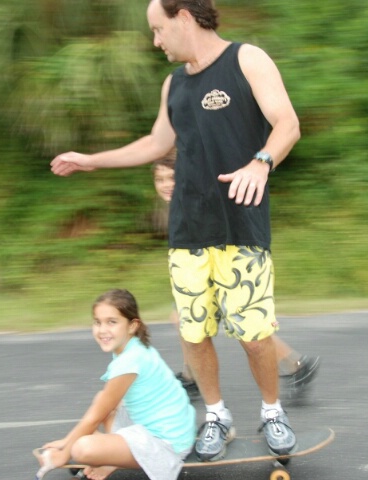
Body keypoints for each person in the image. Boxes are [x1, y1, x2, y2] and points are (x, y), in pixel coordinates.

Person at [50, 0, 303, 462]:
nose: (155, 41)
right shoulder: (174, 84)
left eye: (158, 29)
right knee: (194, 332)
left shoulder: (246, 59)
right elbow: (156, 144)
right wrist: (91, 160)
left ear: (184, 17)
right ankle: (217, 415)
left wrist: (261, 162)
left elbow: (287, 124)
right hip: (188, 229)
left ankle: (272, 411)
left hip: (240, 226)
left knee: (254, 333)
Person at [152, 152, 320, 403]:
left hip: (224, 267)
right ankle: (192, 377)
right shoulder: (178, 205)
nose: (165, 184)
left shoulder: (196, 201)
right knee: (185, 320)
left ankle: (297, 366)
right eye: (159, 179)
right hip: (201, 269)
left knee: (245, 329)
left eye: (172, 177)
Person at [35, 289, 196, 480]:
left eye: (112, 322)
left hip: (167, 444)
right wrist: (66, 442)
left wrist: (64, 452)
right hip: (172, 428)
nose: (102, 330)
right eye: (97, 322)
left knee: (82, 448)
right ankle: (110, 455)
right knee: (101, 402)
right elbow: (102, 408)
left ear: (132, 325)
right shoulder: (133, 346)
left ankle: (110, 458)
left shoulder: (129, 362)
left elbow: (95, 417)